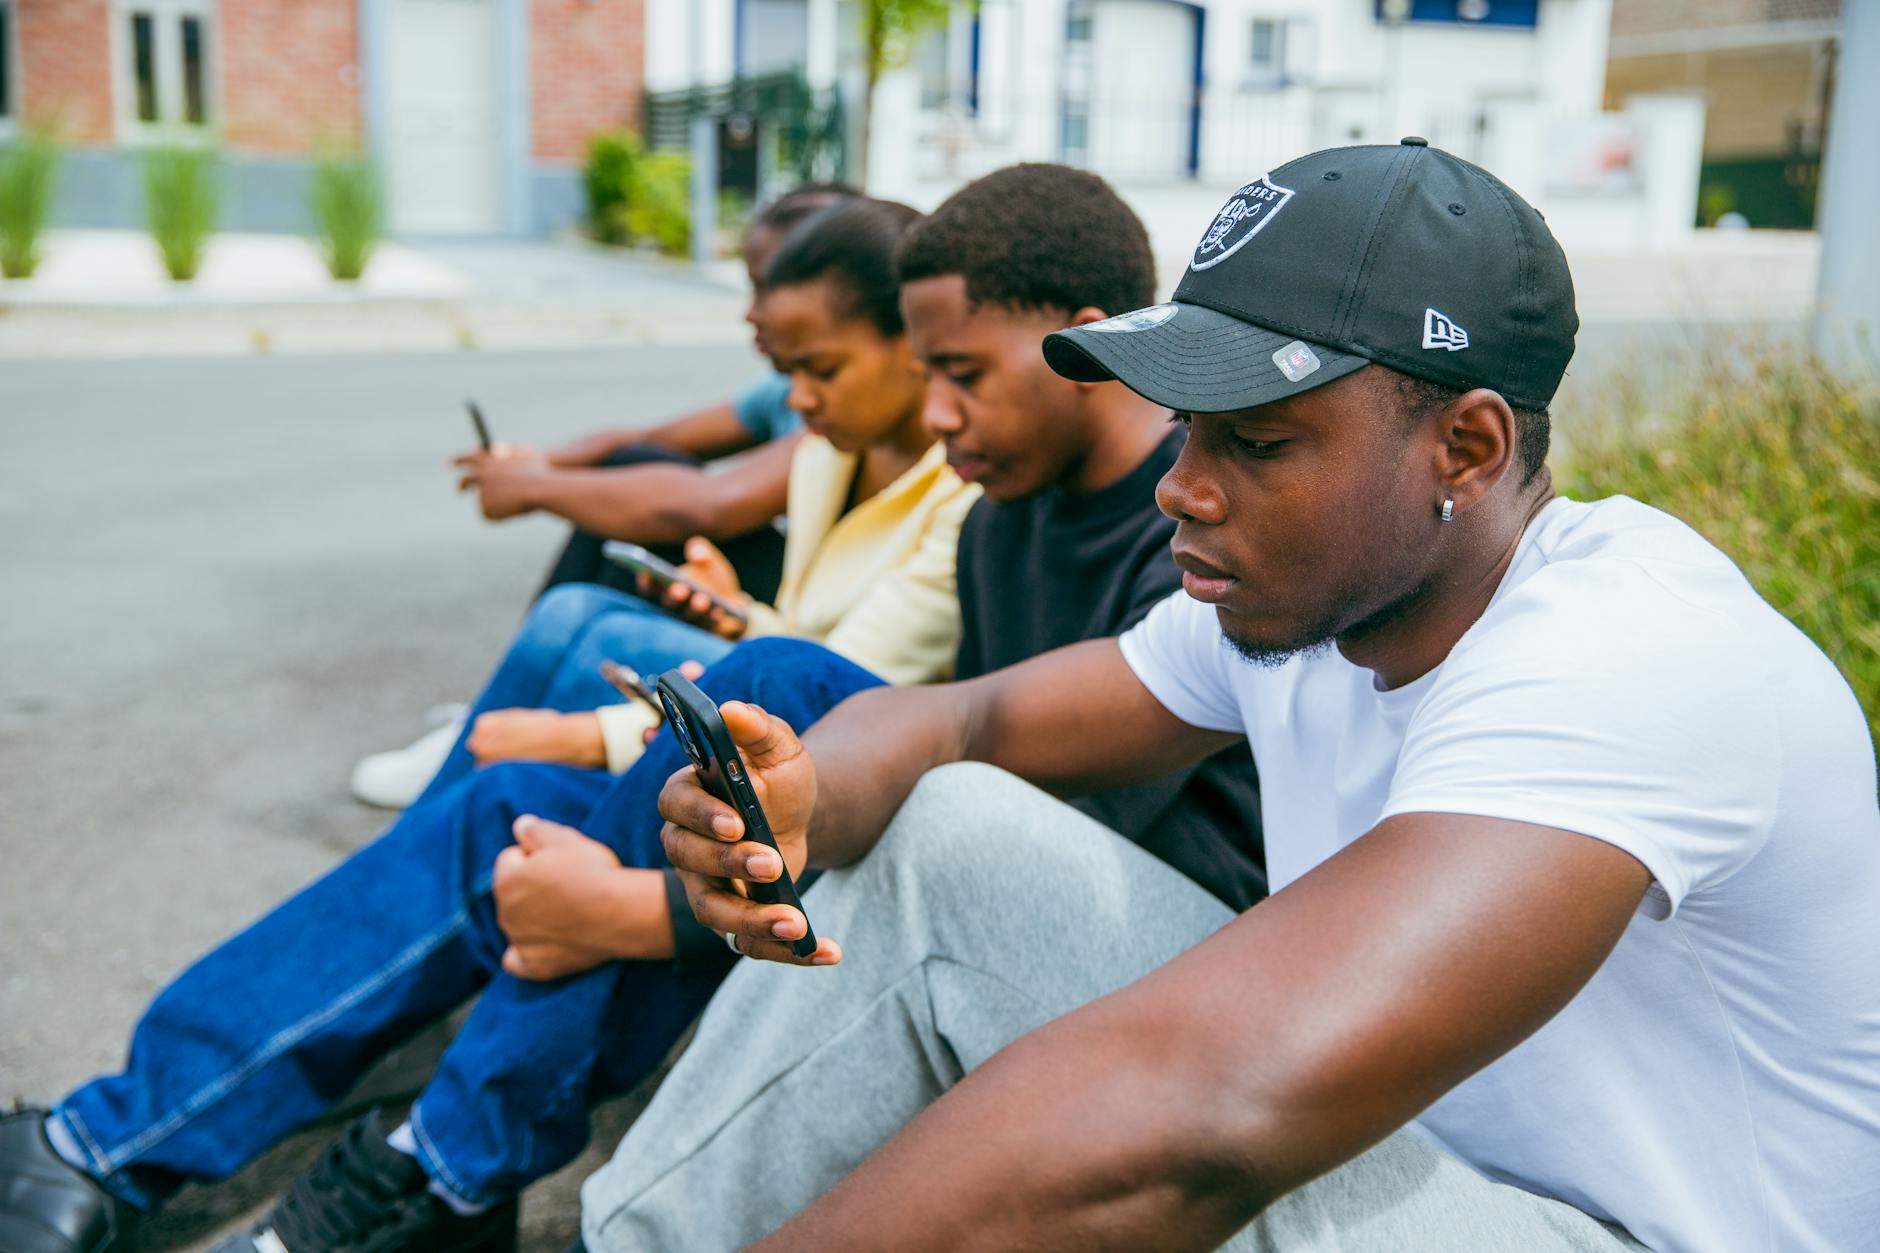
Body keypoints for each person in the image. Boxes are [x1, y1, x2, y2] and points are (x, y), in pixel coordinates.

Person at [589, 141, 1880, 1253]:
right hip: (1432, 1180)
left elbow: (1203, 1118)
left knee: (1143, 1132)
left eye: (1256, 442)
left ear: (1468, 448)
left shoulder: (1627, 656)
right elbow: (963, 723)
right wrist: (813, 795)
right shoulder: (1318, 600)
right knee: (946, 831)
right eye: (1186, 425)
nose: (1181, 486)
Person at [0, 195, 977, 1253]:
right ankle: (100, 1138)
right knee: (505, 807)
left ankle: (441, 1167)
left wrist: (606, 790)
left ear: (913, 347)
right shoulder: (835, 447)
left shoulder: (970, 491)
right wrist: (716, 630)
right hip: (757, 764)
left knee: (568, 714)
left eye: (821, 368)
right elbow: (775, 621)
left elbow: (833, 705)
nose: (793, 395)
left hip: (819, 824)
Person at [353, 182, 853, 809]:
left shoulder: (841, 411)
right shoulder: (793, 392)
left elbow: (710, 505)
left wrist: (539, 488)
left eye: (769, 287)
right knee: (628, 482)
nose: (752, 311)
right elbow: (646, 440)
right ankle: (502, 717)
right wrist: (534, 463)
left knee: (627, 527)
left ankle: (514, 725)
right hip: (780, 612)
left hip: (804, 636)